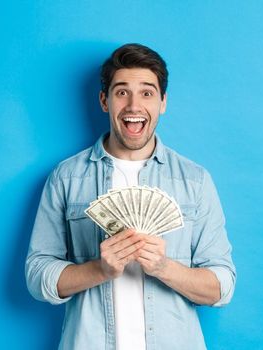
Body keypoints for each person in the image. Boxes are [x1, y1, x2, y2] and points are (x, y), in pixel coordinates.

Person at [25, 43, 236, 350]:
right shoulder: (65, 177)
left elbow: (222, 287)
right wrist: (100, 269)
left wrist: (164, 267)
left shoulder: (195, 180)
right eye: (122, 92)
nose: (134, 105)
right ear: (104, 100)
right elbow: (37, 275)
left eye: (147, 93)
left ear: (163, 102)